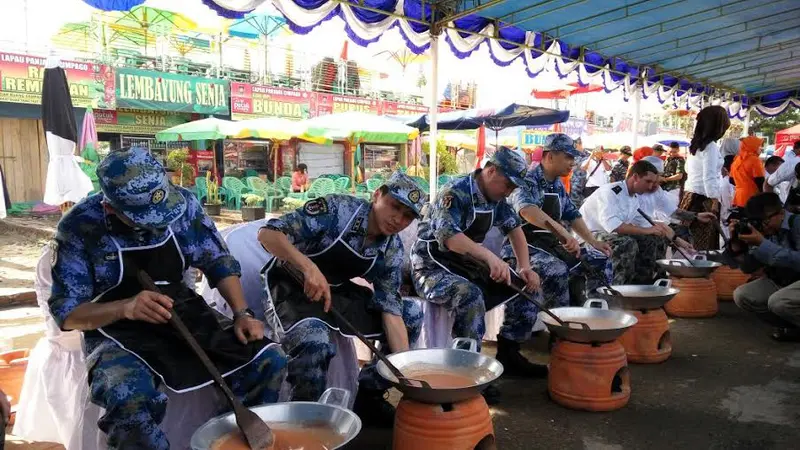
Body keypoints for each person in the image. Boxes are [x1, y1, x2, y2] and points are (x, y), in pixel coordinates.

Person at [48, 148, 287, 450]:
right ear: (111, 209)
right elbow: (67, 313)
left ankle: (229, 440)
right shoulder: (79, 227)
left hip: (183, 310)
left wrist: (242, 313)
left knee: (268, 360)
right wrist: (126, 308)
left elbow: (218, 261)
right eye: (146, 220)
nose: (160, 225)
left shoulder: (184, 203)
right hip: (114, 327)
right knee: (127, 397)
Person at [258, 171, 425, 427]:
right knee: (314, 341)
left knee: (410, 314)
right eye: (395, 207)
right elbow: (268, 234)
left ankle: (368, 394)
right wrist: (308, 267)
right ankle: (305, 422)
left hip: (336, 291)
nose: (398, 220)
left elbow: (390, 310)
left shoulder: (391, 249)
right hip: (290, 284)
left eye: (408, 216)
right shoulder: (337, 209)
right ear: (377, 194)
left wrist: (403, 369)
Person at [410, 148, 542, 380]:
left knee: (525, 285)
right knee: (470, 296)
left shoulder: (497, 198)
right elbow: (450, 238)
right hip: (431, 264)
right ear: (491, 171)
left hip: (466, 263)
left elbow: (515, 228)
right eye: (508, 185)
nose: (509, 192)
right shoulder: (455, 191)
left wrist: (525, 266)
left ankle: (510, 351)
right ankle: (464, 372)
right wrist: (490, 257)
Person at [503, 133, 613, 311]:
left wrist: (593, 242)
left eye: (574, 158)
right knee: (557, 268)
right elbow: (527, 211)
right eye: (568, 157)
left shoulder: (557, 184)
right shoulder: (527, 181)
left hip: (551, 245)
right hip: (521, 247)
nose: (573, 162)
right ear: (550, 156)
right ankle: (561, 326)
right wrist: (562, 232)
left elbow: (572, 214)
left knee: (600, 259)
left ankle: (594, 313)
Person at [579, 160, 671, 285]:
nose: (650, 187)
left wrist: (663, 233)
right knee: (627, 243)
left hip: (608, 235)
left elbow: (644, 223)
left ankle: (643, 285)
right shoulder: (611, 192)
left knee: (653, 239)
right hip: (588, 236)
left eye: (653, 183)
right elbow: (614, 226)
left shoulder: (634, 197)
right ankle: (618, 288)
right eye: (648, 181)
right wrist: (647, 230)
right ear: (635, 177)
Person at [731, 193, 800, 342]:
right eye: (757, 221)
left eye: (765, 220)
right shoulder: (765, 232)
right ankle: (793, 327)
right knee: (742, 295)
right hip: (785, 281)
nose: (763, 225)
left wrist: (763, 244)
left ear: (781, 213)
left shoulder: (797, 223)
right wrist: (737, 245)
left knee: (779, 301)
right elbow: (748, 268)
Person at [680, 105, 731, 250]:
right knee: (703, 245)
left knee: (688, 242)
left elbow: (688, 169)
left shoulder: (696, 145)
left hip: (690, 196)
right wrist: (714, 200)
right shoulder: (711, 147)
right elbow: (708, 177)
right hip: (703, 199)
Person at [731, 136, 766, 208]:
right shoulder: (755, 160)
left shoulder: (737, 159)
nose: (761, 148)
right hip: (752, 197)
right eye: (759, 146)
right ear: (753, 146)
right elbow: (760, 181)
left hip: (739, 197)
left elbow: (731, 180)